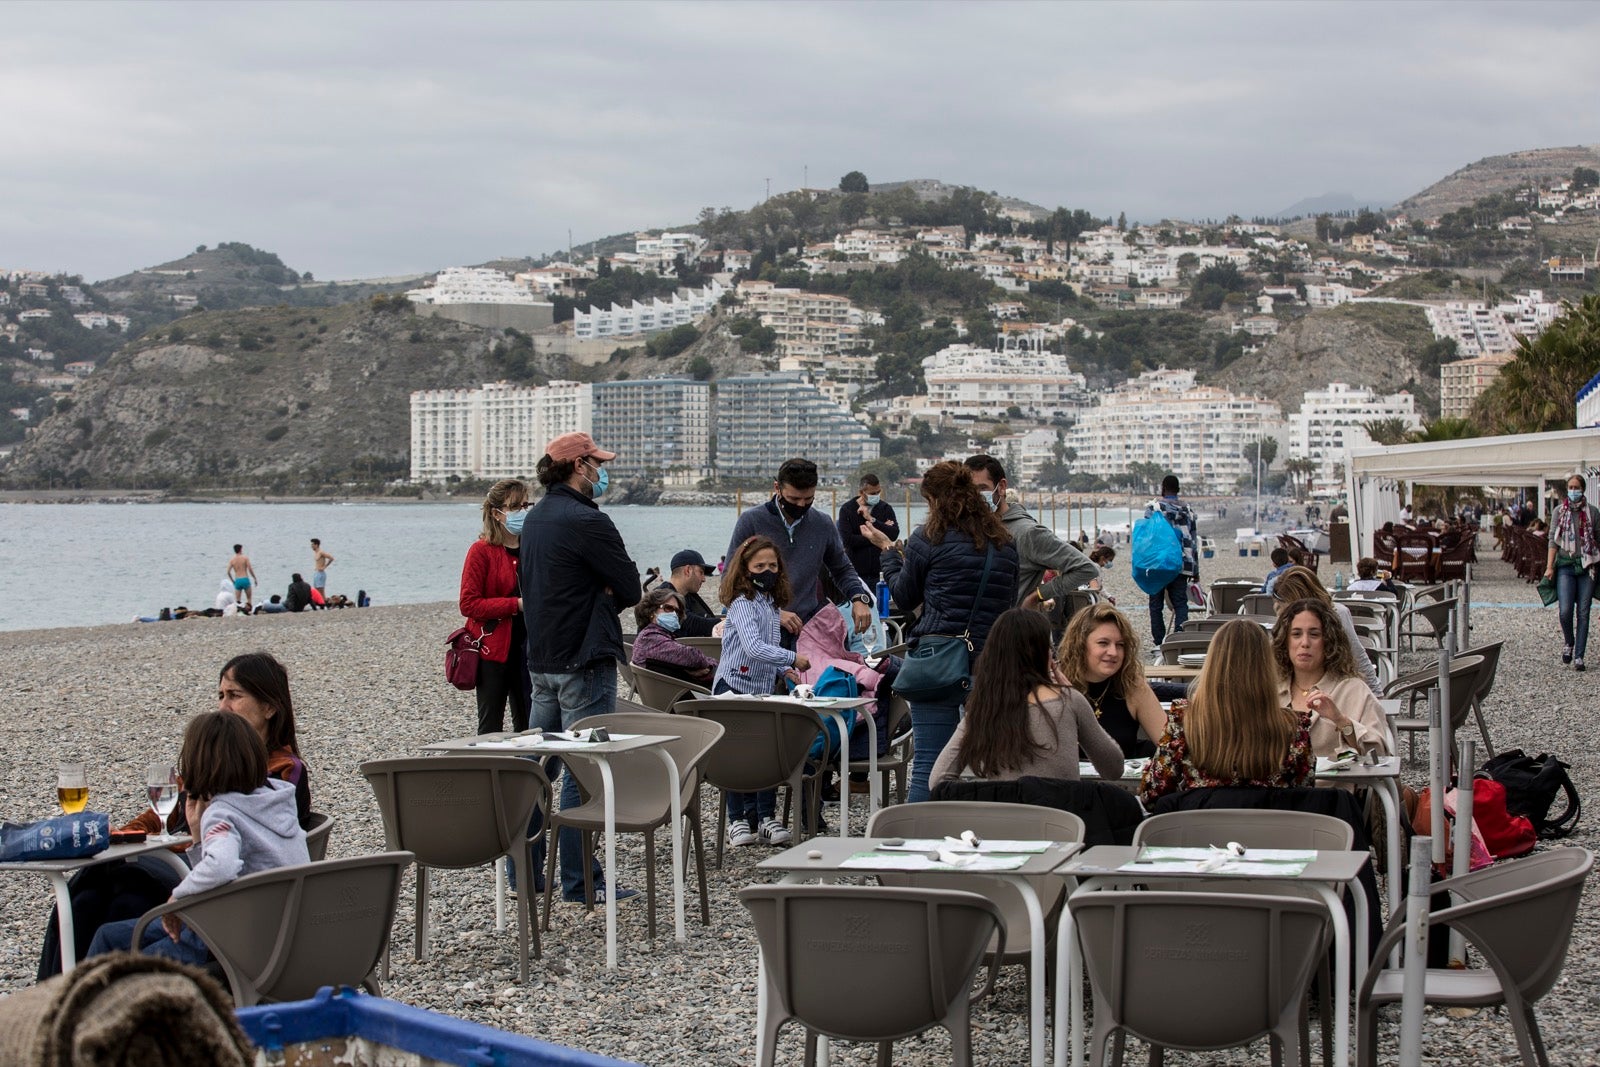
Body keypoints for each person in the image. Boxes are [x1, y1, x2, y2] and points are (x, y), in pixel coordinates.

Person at [36, 651, 314, 977]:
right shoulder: (220, 764)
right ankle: (55, 994)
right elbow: (161, 814)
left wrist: (182, 845)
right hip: (206, 883)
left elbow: (229, 853)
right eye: (221, 696)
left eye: (234, 696)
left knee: (120, 897)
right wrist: (127, 836)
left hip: (216, 899)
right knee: (90, 890)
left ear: (270, 707)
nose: (223, 705)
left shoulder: (275, 773)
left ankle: (91, 1001)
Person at [521, 431, 641, 904]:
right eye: (596, 462)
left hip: (543, 658)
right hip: (583, 657)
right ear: (579, 466)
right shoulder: (588, 520)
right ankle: (579, 878)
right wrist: (603, 591)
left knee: (535, 768)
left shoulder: (534, 518)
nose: (601, 470)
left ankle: (525, 873)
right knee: (582, 769)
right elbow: (630, 586)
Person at [84, 711, 309, 964]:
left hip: (233, 940)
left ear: (197, 762)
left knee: (113, 951)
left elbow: (222, 866)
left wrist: (179, 897)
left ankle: (89, 1000)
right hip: (283, 933)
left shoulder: (222, 812)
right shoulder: (276, 798)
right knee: (111, 936)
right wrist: (198, 836)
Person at [862, 460, 1019, 802]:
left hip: (936, 661)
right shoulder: (1005, 543)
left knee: (929, 767)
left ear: (935, 500)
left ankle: (920, 846)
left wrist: (888, 554)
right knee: (991, 768)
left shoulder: (928, 538)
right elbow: (1009, 607)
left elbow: (904, 596)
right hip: (989, 664)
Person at [930, 609, 1124, 791]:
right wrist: (1074, 695)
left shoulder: (984, 710)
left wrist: (985, 796)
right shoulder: (1069, 701)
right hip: (1063, 822)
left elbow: (937, 781)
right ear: (1044, 654)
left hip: (1004, 823)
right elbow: (1114, 769)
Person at [1140, 619, 1313, 808]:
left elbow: (1153, 794)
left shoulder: (1185, 721)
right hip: (1270, 833)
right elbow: (1303, 795)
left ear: (1213, 664)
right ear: (1267, 667)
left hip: (1199, 833)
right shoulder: (1293, 728)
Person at [713, 535, 808, 846]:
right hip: (733, 686)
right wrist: (792, 657)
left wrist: (785, 669)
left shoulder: (770, 604)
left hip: (763, 688)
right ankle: (737, 820)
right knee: (735, 755)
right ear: (745, 570)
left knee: (768, 752)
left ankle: (766, 817)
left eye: (772, 565)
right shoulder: (741, 604)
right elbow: (754, 648)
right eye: (759, 566)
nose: (767, 570)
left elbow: (770, 645)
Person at [726, 457, 874, 644]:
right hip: (757, 630)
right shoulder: (751, 521)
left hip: (806, 629)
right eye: (793, 499)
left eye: (808, 499)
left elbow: (842, 569)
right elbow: (729, 583)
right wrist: (773, 614)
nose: (801, 506)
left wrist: (858, 597)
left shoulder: (823, 524)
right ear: (777, 488)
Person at [965, 454, 1099, 609]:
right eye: (969, 490)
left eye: (982, 489)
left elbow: (1087, 568)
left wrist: (1037, 596)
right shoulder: (971, 529)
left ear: (1001, 487)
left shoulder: (1027, 532)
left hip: (1012, 628)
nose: (975, 496)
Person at [1273, 598, 1390, 758]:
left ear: (1328, 640)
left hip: (1333, 783)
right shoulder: (1270, 690)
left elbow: (1379, 756)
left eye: (1314, 634)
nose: (1305, 642)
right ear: (1285, 641)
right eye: (1296, 634)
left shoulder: (1354, 690)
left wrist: (1341, 721)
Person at [459, 478, 531, 735]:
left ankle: (528, 772)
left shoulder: (532, 548)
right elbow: (469, 604)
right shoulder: (481, 551)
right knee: (491, 727)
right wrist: (516, 605)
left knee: (530, 725)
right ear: (496, 512)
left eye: (526, 505)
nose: (522, 512)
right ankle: (489, 772)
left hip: (529, 649)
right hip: (493, 650)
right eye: (514, 506)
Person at [1056, 602, 1168, 759]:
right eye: (1103, 643)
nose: (1113, 652)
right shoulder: (1053, 684)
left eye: (1120, 645)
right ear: (1079, 645)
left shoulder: (1131, 685)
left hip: (1121, 782)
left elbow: (1169, 745)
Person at [1271, 566, 1383, 694]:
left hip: (1333, 689)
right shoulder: (1284, 617)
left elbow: (1358, 656)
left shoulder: (1337, 614)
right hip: (1293, 688)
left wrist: (1376, 694)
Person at [1546, 472, 1600, 671]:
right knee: (1565, 610)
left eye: (1577, 488)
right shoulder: (1559, 512)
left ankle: (1579, 655)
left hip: (1587, 567)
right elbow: (1552, 539)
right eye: (1571, 487)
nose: (1574, 491)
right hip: (1566, 566)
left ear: (1583, 489)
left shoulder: (1593, 512)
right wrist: (1549, 566)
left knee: (1584, 612)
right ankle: (1569, 641)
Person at [1143, 474, 1199, 646]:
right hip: (1180, 564)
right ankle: (1179, 639)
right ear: (1178, 489)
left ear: (1162, 488)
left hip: (1158, 564)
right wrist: (1195, 571)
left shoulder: (1154, 508)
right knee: (1180, 603)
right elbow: (1194, 541)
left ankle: (1159, 642)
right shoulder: (1188, 511)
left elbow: (1147, 538)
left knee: (1156, 604)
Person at [632, 586, 716, 685]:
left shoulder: (658, 636)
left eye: (677, 611)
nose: (674, 614)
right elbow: (693, 657)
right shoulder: (649, 638)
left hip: (672, 690)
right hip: (675, 695)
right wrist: (709, 665)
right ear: (651, 611)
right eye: (668, 608)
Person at [837, 472, 899, 585]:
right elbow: (848, 540)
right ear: (861, 492)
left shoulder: (885, 508)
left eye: (878, 492)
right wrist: (877, 536)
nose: (876, 495)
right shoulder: (847, 510)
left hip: (881, 572)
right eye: (873, 493)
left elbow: (894, 534)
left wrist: (872, 519)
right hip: (856, 574)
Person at [663, 549, 720, 637]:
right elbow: (689, 622)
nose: (704, 579)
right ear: (688, 570)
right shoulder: (662, 596)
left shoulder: (689, 596)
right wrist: (726, 622)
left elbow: (706, 617)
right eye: (701, 572)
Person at [225, 544, 256, 610]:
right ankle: (249, 611)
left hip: (237, 580)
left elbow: (228, 572)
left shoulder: (232, 560)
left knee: (238, 600)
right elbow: (250, 569)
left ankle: (239, 611)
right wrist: (254, 578)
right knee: (249, 598)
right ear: (240, 549)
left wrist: (233, 581)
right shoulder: (245, 558)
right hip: (245, 578)